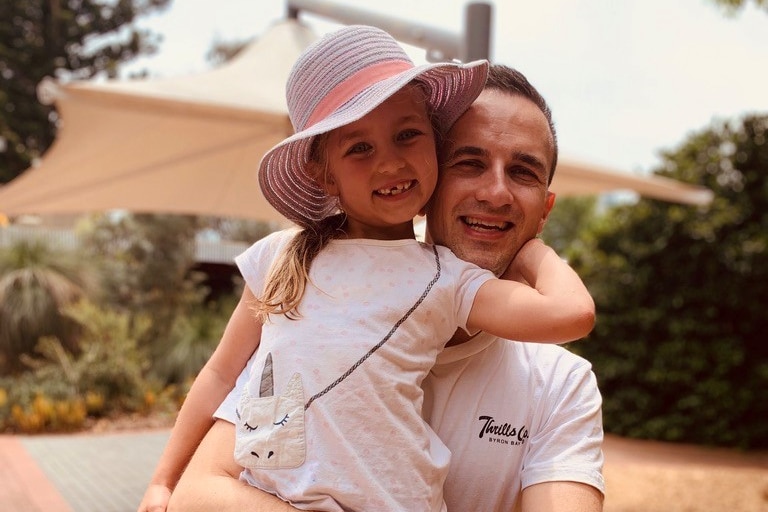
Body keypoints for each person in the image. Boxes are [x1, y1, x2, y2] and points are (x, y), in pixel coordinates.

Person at [142, 25, 595, 512]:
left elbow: (571, 313)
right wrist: (163, 482)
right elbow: (218, 391)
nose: (391, 163)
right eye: (360, 147)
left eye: (407, 136)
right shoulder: (290, 273)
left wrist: (528, 245)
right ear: (322, 171)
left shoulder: (450, 285)